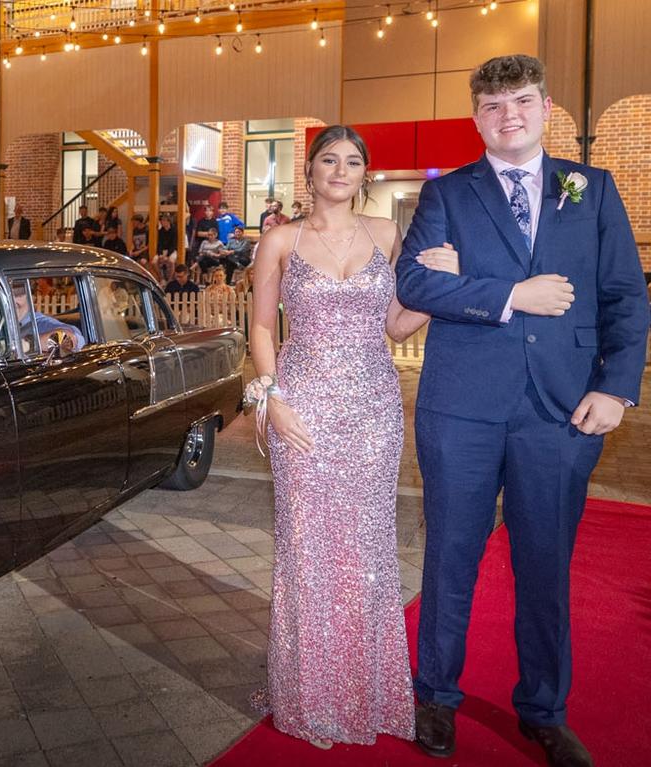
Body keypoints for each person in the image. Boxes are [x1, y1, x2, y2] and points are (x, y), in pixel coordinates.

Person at [396, 55, 648, 767]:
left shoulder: (591, 188)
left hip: (561, 411)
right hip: (461, 409)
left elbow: (627, 294)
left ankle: (543, 709)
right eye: (495, 104)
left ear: (545, 108)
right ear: (477, 116)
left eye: (523, 101)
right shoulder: (446, 194)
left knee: (546, 564)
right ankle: (435, 696)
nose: (510, 115)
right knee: (451, 556)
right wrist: (511, 296)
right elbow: (412, 280)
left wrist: (617, 387)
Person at [248, 125, 459, 748]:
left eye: (353, 161)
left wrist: (439, 290)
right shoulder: (279, 240)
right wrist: (272, 396)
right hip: (302, 406)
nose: (340, 170)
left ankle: (366, 688)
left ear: (364, 173)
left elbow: (396, 326)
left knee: (366, 549)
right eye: (329, 160)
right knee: (306, 545)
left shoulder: (388, 235)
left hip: (372, 411)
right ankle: (308, 691)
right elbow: (262, 328)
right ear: (309, 170)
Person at [0, 283, 85, 356]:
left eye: (18, 294)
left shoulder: (42, 324)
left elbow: (72, 338)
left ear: (31, 297)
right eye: (4, 293)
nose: (11, 300)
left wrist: (24, 345)